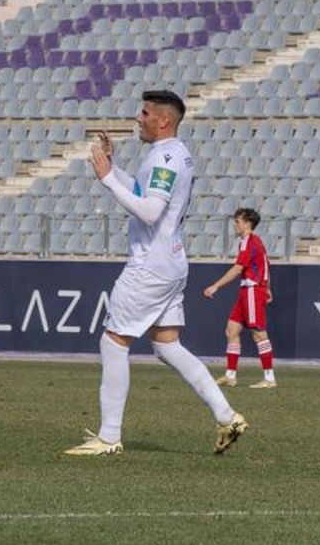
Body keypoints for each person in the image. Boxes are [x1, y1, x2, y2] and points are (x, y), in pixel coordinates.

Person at [64, 90, 247, 456]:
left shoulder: (166, 157)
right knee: (167, 345)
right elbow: (144, 193)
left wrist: (107, 180)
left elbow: (149, 211)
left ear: (163, 120)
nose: (139, 118)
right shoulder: (170, 155)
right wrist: (113, 169)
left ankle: (109, 436)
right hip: (171, 260)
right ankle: (227, 415)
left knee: (113, 341)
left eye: (144, 112)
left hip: (151, 264)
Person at [205, 208, 276, 390]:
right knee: (231, 330)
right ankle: (230, 375)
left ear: (247, 223)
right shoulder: (251, 242)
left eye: (237, 221)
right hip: (248, 290)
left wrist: (216, 285)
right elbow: (265, 263)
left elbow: (238, 269)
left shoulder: (249, 241)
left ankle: (269, 377)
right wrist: (268, 287)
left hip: (252, 289)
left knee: (259, 333)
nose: (235, 225)